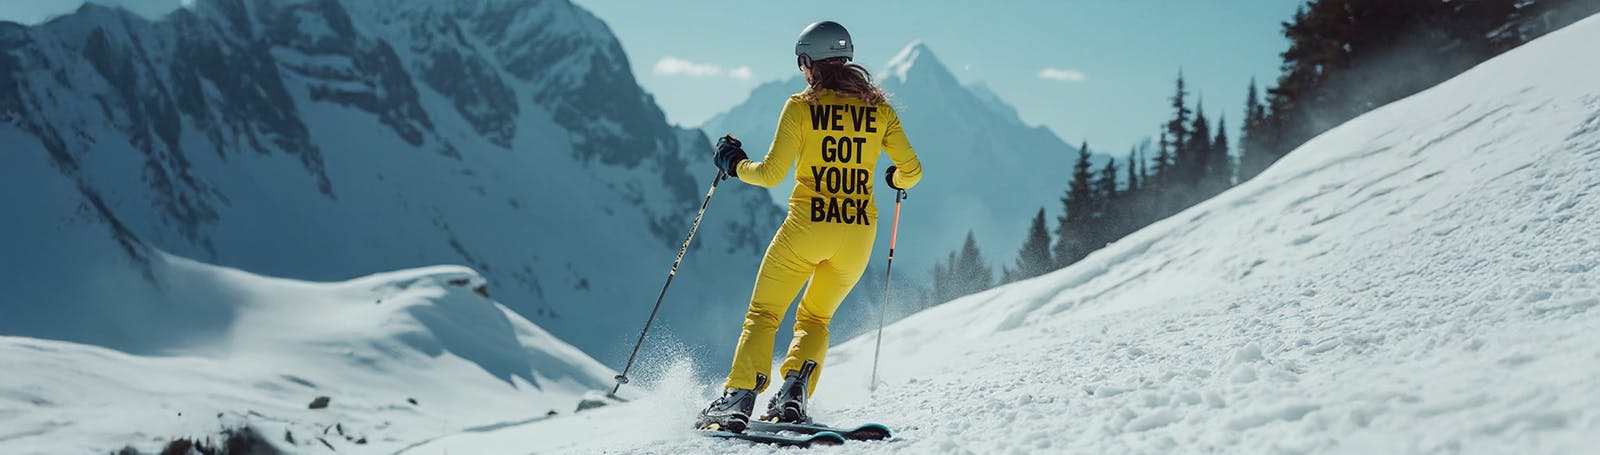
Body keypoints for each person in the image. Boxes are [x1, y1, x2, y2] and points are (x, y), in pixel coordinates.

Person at [697, 20, 923, 433]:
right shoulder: (879, 109)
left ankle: (739, 396)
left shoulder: (802, 106)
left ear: (808, 62)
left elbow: (768, 174)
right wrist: (894, 179)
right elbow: (912, 171)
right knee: (815, 319)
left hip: (807, 227)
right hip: (857, 234)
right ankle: (793, 393)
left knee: (764, 312)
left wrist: (733, 162)